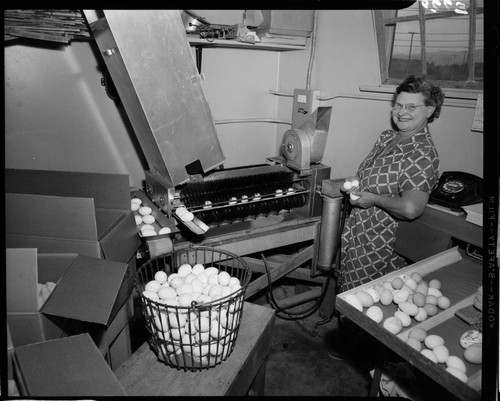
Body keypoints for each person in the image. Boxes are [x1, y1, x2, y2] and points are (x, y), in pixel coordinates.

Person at [338, 74, 445, 292]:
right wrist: (357, 181)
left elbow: (411, 208)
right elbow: (376, 177)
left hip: (381, 245)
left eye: (411, 107)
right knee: (347, 292)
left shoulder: (422, 154)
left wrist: (373, 199)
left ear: (430, 111)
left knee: (362, 303)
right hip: (359, 232)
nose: (402, 112)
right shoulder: (388, 137)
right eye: (398, 105)